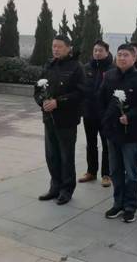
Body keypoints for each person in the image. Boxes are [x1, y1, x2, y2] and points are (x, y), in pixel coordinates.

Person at [100, 44, 137, 223]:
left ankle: (130, 206)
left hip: (131, 134)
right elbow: (101, 99)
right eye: (119, 54)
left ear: (134, 58)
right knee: (115, 171)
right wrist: (106, 120)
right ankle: (118, 203)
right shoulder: (109, 76)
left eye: (126, 55)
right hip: (113, 133)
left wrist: (130, 116)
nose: (122, 58)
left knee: (131, 173)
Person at [34, 35, 85, 205]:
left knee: (66, 156)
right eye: (53, 46)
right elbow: (38, 89)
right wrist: (43, 102)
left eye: (59, 46)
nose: (55, 49)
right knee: (52, 155)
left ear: (69, 48)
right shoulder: (49, 65)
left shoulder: (76, 67)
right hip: (49, 119)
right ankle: (54, 187)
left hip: (67, 120)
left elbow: (80, 93)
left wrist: (58, 102)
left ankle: (66, 190)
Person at [79, 40, 114, 187]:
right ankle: (91, 172)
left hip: (106, 115)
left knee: (107, 145)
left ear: (107, 52)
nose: (97, 53)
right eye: (95, 50)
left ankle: (106, 174)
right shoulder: (86, 68)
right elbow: (81, 89)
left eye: (100, 50)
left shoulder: (113, 69)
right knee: (91, 143)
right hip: (89, 113)